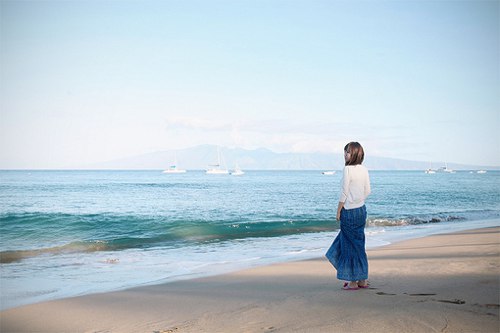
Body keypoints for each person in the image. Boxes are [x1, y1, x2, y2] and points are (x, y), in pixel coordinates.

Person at [325, 142, 371, 290]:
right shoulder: (364, 169)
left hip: (349, 211)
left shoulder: (347, 170)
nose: (345, 155)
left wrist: (339, 210)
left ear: (356, 154)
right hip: (361, 210)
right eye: (345, 152)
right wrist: (359, 200)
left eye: (348, 152)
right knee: (358, 244)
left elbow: (344, 192)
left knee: (349, 245)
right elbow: (368, 190)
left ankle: (352, 281)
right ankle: (362, 279)